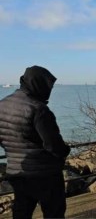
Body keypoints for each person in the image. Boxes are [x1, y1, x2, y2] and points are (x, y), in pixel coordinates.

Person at [0, 65, 71, 218]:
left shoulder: (2, 104)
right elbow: (53, 145)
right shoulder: (39, 109)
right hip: (45, 174)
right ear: (39, 85)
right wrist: (66, 151)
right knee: (54, 213)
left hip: (17, 171)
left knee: (21, 212)